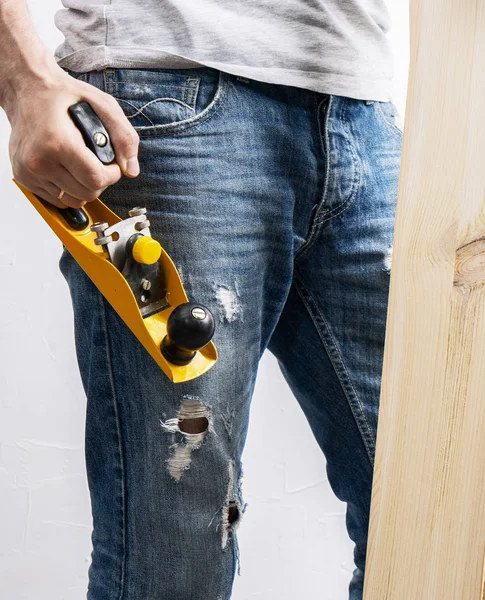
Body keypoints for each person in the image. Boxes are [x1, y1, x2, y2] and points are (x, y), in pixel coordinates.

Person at [0, 0, 403, 598]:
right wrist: (24, 80)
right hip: (171, 95)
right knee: (176, 552)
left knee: (433, 519)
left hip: (363, 108)